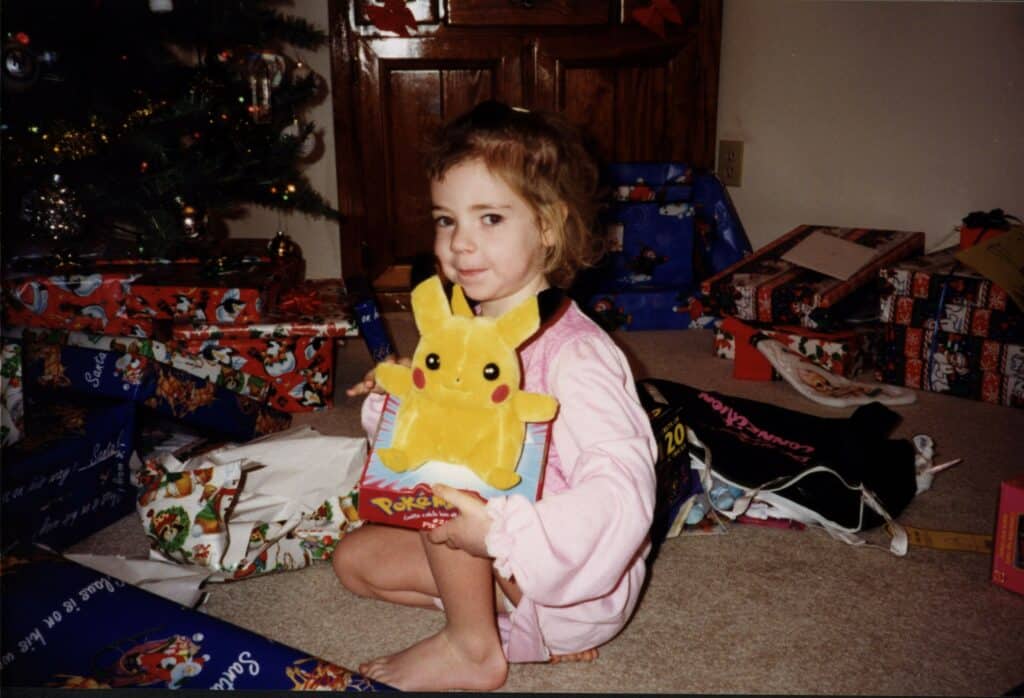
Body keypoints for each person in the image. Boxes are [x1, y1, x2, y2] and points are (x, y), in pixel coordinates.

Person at [333, 100, 657, 692]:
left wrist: (505, 533)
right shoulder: (461, 329)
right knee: (354, 563)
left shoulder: (577, 354)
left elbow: (623, 483)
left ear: (550, 227)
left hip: (568, 572)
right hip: (502, 565)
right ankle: (507, 628)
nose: (460, 243)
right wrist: (402, 392)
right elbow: (423, 439)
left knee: (448, 497)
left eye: (490, 218)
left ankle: (473, 647)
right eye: (446, 219)